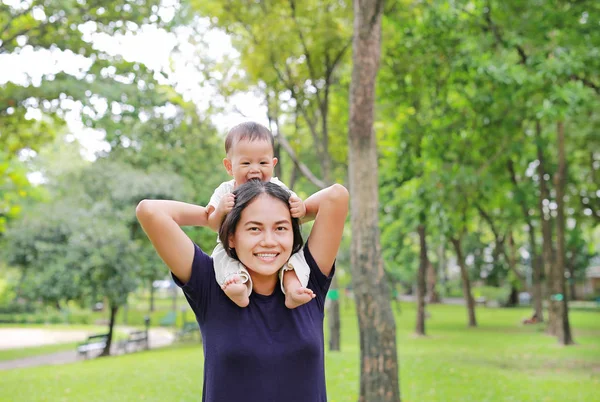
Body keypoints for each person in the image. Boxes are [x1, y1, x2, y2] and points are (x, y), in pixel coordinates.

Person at [136, 180, 348, 401]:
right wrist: (212, 217)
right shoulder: (210, 283)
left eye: (281, 228)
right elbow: (149, 211)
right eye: (254, 228)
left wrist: (297, 212)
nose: (269, 241)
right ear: (231, 237)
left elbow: (336, 196)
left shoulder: (306, 282)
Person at [206, 122, 311, 309]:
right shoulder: (225, 190)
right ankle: (238, 286)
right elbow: (213, 224)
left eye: (262, 162)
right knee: (220, 257)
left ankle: (293, 289)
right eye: (246, 163)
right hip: (231, 247)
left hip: (275, 252)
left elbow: (295, 209)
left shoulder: (278, 187)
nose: (255, 169)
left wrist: (299, 207)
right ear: (229, 166)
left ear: (273, 163)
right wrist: (221, 210)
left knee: (296, 256)